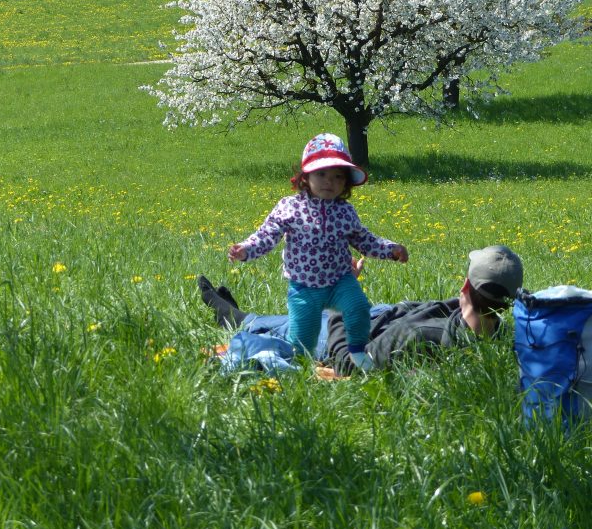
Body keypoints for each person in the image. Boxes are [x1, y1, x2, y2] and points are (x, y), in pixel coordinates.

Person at [227, 133, 408, 371]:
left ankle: (357, 353)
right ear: (306, 177)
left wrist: (390, 249)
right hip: (304, 287)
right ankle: (300, 369)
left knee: (359, 309)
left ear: (346, 183)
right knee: (303, 338)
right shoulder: (290, 207)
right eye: (321, 174)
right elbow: (267, 235)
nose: (329, 182)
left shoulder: (345, 212)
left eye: (337, 177)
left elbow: (364, 239)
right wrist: (246, 250)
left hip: (340, 281)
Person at [199, 244, 524, 375]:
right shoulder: (501, 334)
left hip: (355, 333)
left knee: (301, 323)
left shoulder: (419, 338)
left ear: (466, 286)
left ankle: (237, 318)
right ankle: (239, 316)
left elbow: (347, 363)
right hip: (384, 317)